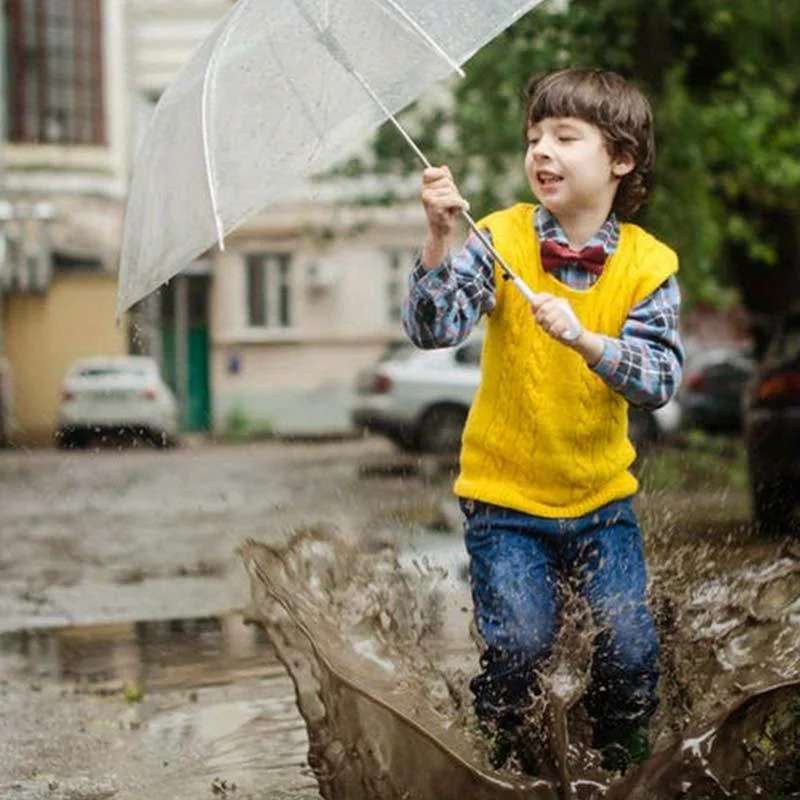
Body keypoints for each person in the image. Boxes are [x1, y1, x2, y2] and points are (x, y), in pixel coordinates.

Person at [402, 67, 684, 775]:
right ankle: (496, 762)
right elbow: (434, 330)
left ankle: (624, 770)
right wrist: (438, 238)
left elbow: (659, 381)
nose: (541, 152)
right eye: (534, 138)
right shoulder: (499, 237)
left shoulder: (649, 265)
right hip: (504, 502)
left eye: (564, 137)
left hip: (601, 502)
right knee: (520, 647)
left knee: (629, 648)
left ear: (621, 159)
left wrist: (588, 341)